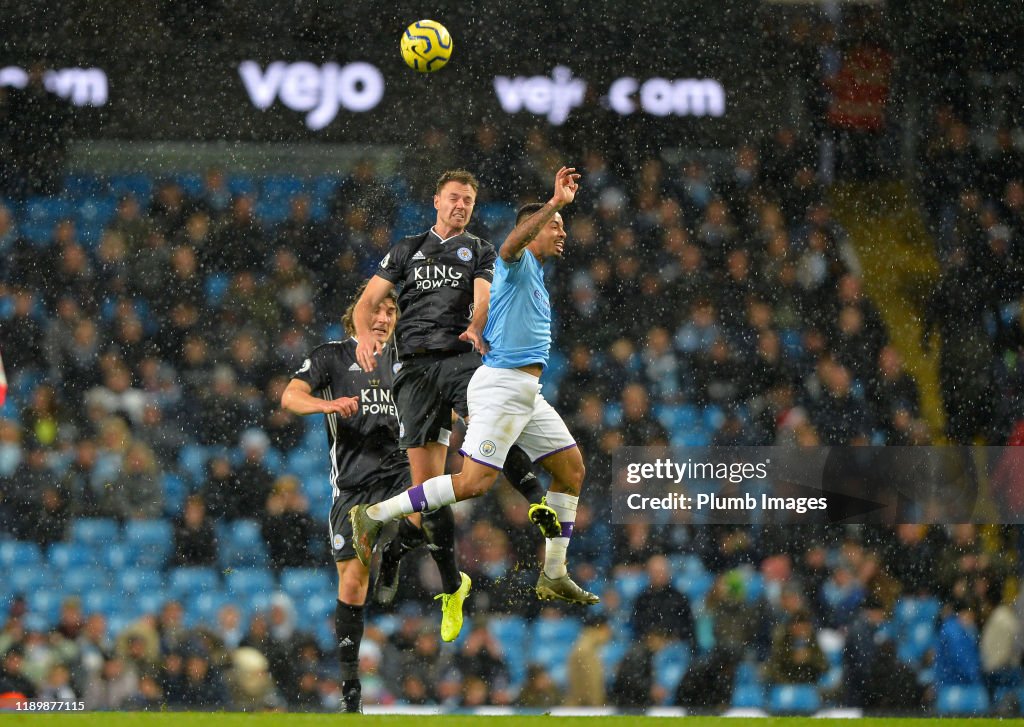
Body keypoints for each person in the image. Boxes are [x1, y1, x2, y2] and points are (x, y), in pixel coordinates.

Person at [352, 167, 599, 605]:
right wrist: (555, 203)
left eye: (468, 199)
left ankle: (554, 572)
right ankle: (374, 515)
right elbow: (509, 247)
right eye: (555, 227)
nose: (563, 234)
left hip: (522, 390)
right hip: (493, 383)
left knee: (573, 469)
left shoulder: (532, 273)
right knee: (471, 484)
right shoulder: (514, 259)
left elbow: (484, 303)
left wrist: (475, 325)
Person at [279, 284, 465, 713]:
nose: (383, 318)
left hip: (399, 473)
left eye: (390, 312)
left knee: (433, 499)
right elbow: (289, 396)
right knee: (352, 582)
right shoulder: (331, 356)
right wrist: (327, 407)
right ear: (357, 315)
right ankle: (350, 692)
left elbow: (439, 403)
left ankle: (400, 556)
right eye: (376, 311)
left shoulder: (407, 358)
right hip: (352, 488)